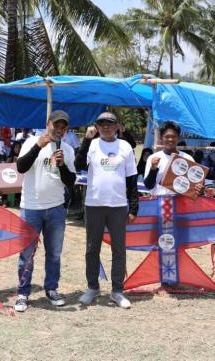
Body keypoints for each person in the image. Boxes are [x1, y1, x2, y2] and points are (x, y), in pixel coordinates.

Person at [13, 110, 77, 312]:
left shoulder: (67, 149)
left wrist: (62, 165)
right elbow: (21, 167)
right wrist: (38, 147)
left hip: (56, 208)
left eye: (63, 126)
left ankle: (51, 289)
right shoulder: (32, 141)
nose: (59, 129)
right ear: (48, 123)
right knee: (27, 254)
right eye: (56, 124)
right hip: (31, 208)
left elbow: (70, 181)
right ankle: (23, 293)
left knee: (54, 254)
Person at [75, 112, 138, 309]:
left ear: (117, 126)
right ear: (97, 126)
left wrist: (134, 207)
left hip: (118, 206)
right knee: (92, 249)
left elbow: (132, 180)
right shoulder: (92, 144)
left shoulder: (125, 147)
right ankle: (92, 287)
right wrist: (86, 140)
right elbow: (78, 166)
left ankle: (117, 291)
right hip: (94, 204)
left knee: (119, 250)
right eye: (102, 124)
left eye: (110, 124)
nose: (106, 127)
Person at [143, 121, 203, 199]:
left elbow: (194, 186)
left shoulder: (188, 158)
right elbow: (149, 186)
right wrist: (153, 169)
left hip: (182, 204)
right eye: (167, 137)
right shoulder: (153, 158)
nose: (170, 139)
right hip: (160, 204)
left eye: (174, 136)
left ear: (179, 138)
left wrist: (198, 189)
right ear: (161, 138)